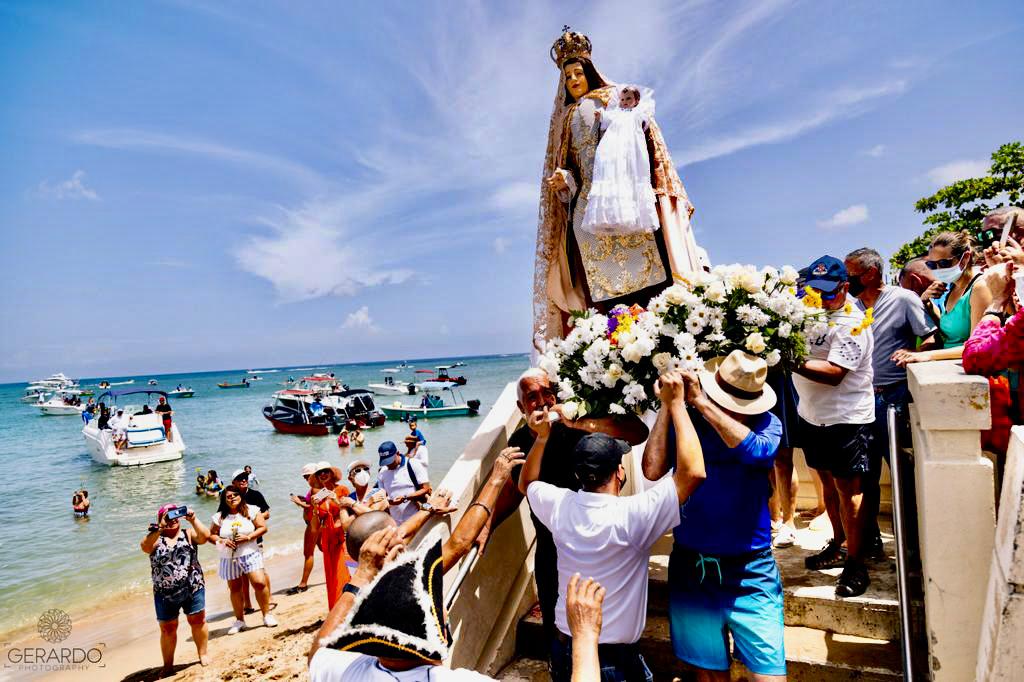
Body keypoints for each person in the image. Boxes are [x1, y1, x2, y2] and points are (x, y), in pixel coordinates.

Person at [520, 371, 705, 682]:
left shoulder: (559, 505)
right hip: (611, 662)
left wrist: (540, 438)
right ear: (620, 471)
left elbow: (527, 483)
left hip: (567, 650)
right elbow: (694, 472)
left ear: (578, 476)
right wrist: (676, 405)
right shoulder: (634, 516)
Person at [474, 368, 648, 672]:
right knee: (559, 633)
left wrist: (581, 421)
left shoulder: (578, 420)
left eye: (547, 392)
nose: (542, 401)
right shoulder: (518, 443)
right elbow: (517, 492)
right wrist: (486, 523)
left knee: (606, 622)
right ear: (521, 408)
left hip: (600, 548)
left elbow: (637, 433)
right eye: (532, 397)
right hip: (552, 556)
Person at [534, 28, 698, 346]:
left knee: (653, 277)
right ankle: (617, 343)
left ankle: (663, 335)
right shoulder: (566, 119)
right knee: (604, 294)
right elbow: (570, 169)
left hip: (626, 200)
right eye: (568, 77)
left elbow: (647, 138)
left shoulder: (615, 97)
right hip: (587, 211)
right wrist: (564, 182)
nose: (573, 81)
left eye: (578, 73)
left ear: (590, 72)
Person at [307, 448, 527, 678]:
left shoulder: (347, 666)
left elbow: (318, 655)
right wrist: (495, 480)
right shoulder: (411, 583)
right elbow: (459, 543)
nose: (403, 537)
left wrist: (361, 575)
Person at [643, 353, 785, 680]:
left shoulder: (768, 424)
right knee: (707, 676)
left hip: (752, 570)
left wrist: (701, 403)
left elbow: (756, 452)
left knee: (770, 675)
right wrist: (670, 404)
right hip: (694, 568)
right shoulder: (687, 419)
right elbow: (651, 469)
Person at [791, 255, 876, 598]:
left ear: (844, 287)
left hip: (846, 417)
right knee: (827, 484)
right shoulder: (812, 313)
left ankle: (856, 563)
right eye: (814, 291)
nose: (821, 298)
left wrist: (788, 357)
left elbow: (834, 375)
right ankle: (838, 544)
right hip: (812, 415)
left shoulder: (853, 323)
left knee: (849, 492)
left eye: (828, 292)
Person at [846, 247, 936, 557]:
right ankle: (870, 542)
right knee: (864, 475)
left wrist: (913, 354)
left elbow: (929, 337)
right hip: (859, 402)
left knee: (901, 473)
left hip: (894, 398)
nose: (847, 282)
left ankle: (912, 545)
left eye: (851, 275)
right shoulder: (852, 307)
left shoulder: (903, 299)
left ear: (870, 273)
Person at [892, 231, 992, 367]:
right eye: (932, 265)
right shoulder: (952, 288)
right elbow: (950, 331)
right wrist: (927, 303)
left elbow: (977, 345)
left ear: (965, 258)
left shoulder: (979, 287)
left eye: (944, 263)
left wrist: (926, 354)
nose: (938, 270)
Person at [580, 85, 658, 237]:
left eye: (629, 98)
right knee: (612, 175)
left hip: (631, 150)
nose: (624, 102)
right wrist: (600, 114)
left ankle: (632, 216)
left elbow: (646, 119)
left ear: (636, 100)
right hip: (613, 149)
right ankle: (610, 216)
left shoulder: (637, 113)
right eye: (622, 99)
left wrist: (643, 114)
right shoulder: (615, 113)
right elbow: (606, 117)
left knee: (630, 175)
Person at [141, 504, 211, 675]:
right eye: (167, 516)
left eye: (174, 516)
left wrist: (193, 519)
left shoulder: (188, 533)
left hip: (192, 586)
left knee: (198, 621)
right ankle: (168, 665)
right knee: (167, 629)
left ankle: (203, 654)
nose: (172, 520)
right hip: (164, 593)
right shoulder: (155, 537)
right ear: (160, 519)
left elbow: (204, 537)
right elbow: (144, 546)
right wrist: (161, 527)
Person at [210, 485, 276, 634]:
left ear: (240, 496)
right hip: (229, 556)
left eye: (235, 495)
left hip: (251, 552)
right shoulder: (219, 516)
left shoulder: (252, 510)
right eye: (228, 496)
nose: (232, 497)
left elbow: (262, 527)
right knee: (235, 588)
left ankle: (267, 615)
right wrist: (223, 541)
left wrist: (248, 537)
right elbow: (212, 535)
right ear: (224, 499)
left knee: (259, 583)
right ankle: (240, 620)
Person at [309, 461, 354, 609]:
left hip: (342, 535)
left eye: (325, 471)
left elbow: (351, 512)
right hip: (327, 538)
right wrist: (315, 508)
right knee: (332, 576)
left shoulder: (342, 490)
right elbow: (314, 527)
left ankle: (348, 608)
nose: (323, 474)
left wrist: (335, 499)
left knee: (345, 572)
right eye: (319, 473)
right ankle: (335, 609)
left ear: (331, 473)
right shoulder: (317, 495)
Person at [229, 469, 271, 613]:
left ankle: (268, 599)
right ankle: (247, 604)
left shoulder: (255, 494)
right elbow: (222, 517)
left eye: (245, 478)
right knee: (242, 576)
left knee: (260, 571)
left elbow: (267, 513)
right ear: (233, 482)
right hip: (237, 543)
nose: (243, 480)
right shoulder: (230, 498)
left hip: (255, 539)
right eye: (240, 478)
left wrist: (251, 519)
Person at [287, 463, 321, 595]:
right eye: (305, 477)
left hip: (313, 525)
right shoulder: (318, 488)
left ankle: (303, 584)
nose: (307, 479)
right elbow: (313, 503)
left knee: (308, 554)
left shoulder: (316, 488)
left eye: (308, 476)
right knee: (324, 548)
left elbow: (312, 507)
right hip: (316, 524)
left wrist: (298, 502)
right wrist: (304, 500)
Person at [377, 441, 431, 524]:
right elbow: (382, 496)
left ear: (397, 453)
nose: (388, 465)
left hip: (417, 517)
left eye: (390, 461)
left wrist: (405, 498)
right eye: (386, 462)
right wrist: (389, 501)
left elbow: (426, 489)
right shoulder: (382, 473)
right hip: (395, 522)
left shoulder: (413, 464)